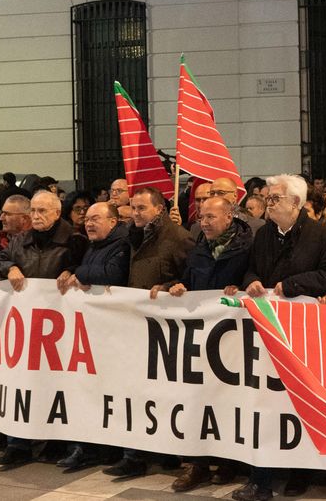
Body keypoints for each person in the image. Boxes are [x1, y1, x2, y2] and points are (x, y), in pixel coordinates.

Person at [229, 174, 326, 501]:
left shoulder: (320, 236)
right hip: (267, 331)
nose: (269, 202)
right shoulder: (264, 234)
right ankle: (260, 479)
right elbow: (251, 270)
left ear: (296, 203)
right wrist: (252, 281)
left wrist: (292, 286)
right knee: (264, 403)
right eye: (268, 198)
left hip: (302, 331)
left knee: (297, 403)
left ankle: (300, 473)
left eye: (276, 198)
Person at [153, 195, 253, 491]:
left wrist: (243, 287)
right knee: (198, 398)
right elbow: (188, 279)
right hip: (200, 334)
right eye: (201, 217)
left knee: (227, 399)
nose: (204, 222)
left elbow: (256, 277)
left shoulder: (246, 246)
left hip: (232, 336)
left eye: (210, 217)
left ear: (229, 218)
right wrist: (177, 286)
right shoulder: (200, 247)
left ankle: (227, 462)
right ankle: (197, 463)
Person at [0, 190, 88, 467]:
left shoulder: (74, 242)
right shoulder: (20, 241)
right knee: (24, 383)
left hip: (61, 328)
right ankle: (17, 445)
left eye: (43, 211)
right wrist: (8, 268)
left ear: (57, 213)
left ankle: (58, 443)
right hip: (28, 328)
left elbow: (86, 266)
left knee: (60, 384)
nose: (37, 216)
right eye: (33, 211)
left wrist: (72, 271)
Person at [103, 187, 193, 479]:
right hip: (136, 324)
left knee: (163, 391)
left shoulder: (177, 238)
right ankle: (135, 455)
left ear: (159, 209)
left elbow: (190, 278)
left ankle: (165, 452)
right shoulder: (133, 236)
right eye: (133, 207)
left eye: (142, 208)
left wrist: (170, 287)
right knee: (136, 390)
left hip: (164, 327)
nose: (136, 213)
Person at [54, 201, 130, 470]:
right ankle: (89, 448)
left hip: (114, 335)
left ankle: (111, 450)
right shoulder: (92, 246)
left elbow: (114, 273)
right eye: (87, 219)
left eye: (96, 218)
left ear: (113, 222)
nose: (89, 223)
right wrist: (75, 272)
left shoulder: (122, 244)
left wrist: (81, 273)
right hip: (92, 334)